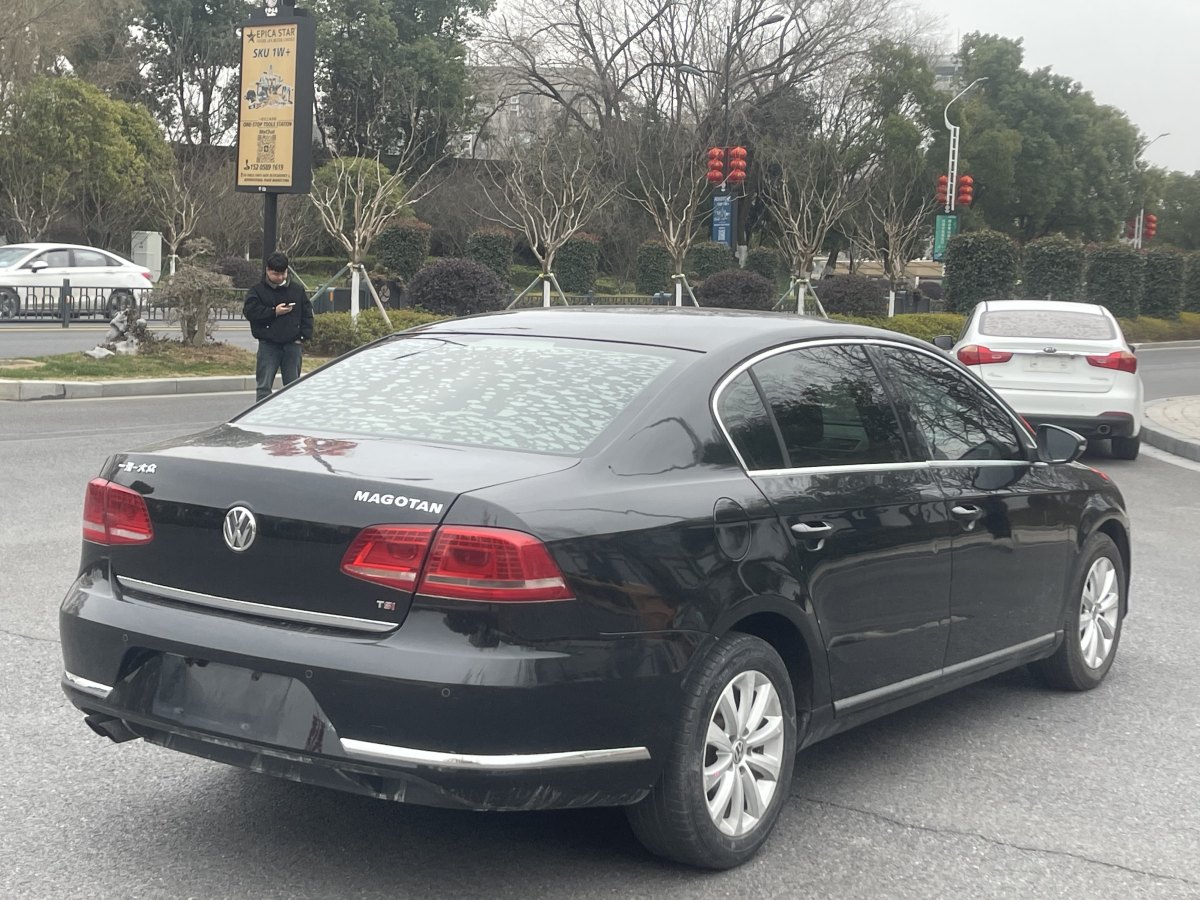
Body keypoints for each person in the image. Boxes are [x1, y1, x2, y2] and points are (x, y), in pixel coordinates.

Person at [243, 251, 313, 402]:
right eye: (276, 274)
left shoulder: (297, 290)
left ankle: (291, 416)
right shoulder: (257, 291)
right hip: (268, 345)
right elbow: (251, 312)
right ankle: (261, 416)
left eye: (283, 273)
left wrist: (303, 336)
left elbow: (307, 314)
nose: (280, 277)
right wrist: (274, 312)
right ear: (267, 270)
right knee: (264, 386)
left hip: (292, 344)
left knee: (293, 386)